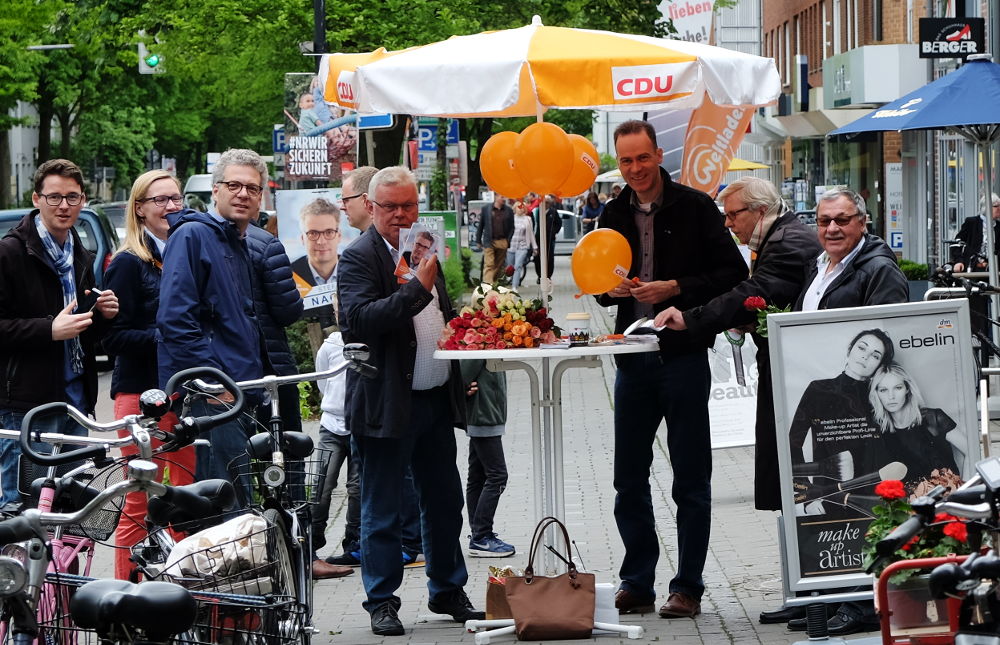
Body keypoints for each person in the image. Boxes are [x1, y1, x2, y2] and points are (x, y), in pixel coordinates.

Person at [596, 120, 748, 619]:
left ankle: (687, 586)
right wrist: (609, 290)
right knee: (628, 480)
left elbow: (733, 276)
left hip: (682, 357)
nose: (635, 169)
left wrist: (675, 286)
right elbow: (597, 280)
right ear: (617, 162)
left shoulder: (696, 206)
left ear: (660, 155)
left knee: (690, 479)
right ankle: (636, 581)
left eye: (642, 158)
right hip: (632, 360)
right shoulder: (611, 211)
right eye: (625, 161)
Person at [337, 166, 482, 636]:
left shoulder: (426, 249)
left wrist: (463, 345)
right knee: (382, 510)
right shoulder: (359, 258)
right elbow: (359, 321)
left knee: (444, 503)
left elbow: (441, 314)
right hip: (385, 402)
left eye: (409, 206)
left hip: (435, 401)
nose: (401, 215)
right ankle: (381, 600)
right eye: (391, 207)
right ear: (371, 208)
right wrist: (417, 288)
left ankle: (446, 590)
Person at [781, 187, 908, 635]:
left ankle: (861, 604)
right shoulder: (820, 266)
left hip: (863, 418)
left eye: (842, 220)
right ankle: (821, 592)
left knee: (857, 507)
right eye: (824, 221)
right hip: (832, 411)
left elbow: (889, 329)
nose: (832, 228)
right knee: (825, 500)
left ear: (863, 222)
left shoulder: (877, 269)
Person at [653, 176, 821, 512]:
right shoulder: (777, 235)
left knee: (793, 466)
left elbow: (750, 292)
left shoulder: (786, 242)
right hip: (786, 364)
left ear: (759, 210)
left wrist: (690, 317)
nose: (728, 224)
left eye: (732, 215)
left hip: (796, 370)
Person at [0, 159, 119, 508]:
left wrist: (103, 315)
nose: (63, 206)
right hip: (27, 406)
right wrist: (48, 329)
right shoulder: (9, 253)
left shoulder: (77, 252)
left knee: (69, 514)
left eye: (72, 197)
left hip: (74, 401)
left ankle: (61, 568)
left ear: (83, 201)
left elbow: (81, 331)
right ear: (36, 199)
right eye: (54, 197)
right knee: (23, 513)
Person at [103, 170, 196, 580]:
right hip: (140, 398)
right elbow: (113, 337)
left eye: (175, 198)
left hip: (181, 395)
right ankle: (125, 601)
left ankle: (182, 598)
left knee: (183, 501)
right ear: (139, 209)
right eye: (159, 200)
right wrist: (166, 337)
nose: (170, 207)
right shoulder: (127, 263)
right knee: (138, 504)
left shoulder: (187, 253)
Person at [157, 149, 267, 494]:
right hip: (215, 396)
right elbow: (175, 319)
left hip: (239, 391)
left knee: (237, 498)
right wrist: (210, 382)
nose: (243, 193)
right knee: (227, 505)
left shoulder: (235, 239)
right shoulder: (193, 236)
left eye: (252, 188)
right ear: (215, 190)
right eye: (234, 184)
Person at [869, 363, 962, 492]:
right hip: (908, 505)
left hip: (947, 498)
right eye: (883, 390)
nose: (891, 396)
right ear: (876, 394)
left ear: (907, 389)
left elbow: (971, 449)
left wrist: (965, 487)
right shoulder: (880, 431)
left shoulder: (933, 418)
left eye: (897, 388)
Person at [459, 360, 514, 558]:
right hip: (484, 412)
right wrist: (460, 387)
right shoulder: (479, 332)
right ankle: (482, 536)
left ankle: (479, 535)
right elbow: (465, 371)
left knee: (478, 474)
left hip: (484, 410)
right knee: (498, 475)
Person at [291, 198, 341, 288]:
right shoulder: (289, 277)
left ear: (339, 236)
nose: (321, 242)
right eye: (313, 233)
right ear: (302, 238)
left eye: (329, 232)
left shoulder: (357, 271)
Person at [951, 192, 1000, 271]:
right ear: (986, 208)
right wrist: (959, 261)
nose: (999, 208)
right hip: (973, 268)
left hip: (994, 269)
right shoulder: (971, 223)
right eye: (996, 206)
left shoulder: (998, 226)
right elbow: (957, 244)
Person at [475, 193, 514, 284]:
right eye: (502, 196)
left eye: (504, 196)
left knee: (499, 265)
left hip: (502, 241)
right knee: (489, 264)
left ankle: (495, 284)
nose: (504, 199)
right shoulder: (486, 209)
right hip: (489, 241)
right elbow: (481, 225)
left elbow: (512, 227)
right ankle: (487, 286)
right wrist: (478, 240)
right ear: (496, 197)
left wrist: (508, 240)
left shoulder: (508, 210)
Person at [532, 194, 562, 283]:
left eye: (548, 203)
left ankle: (548, 276)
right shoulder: (537, 212)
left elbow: (559, 223)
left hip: (550, 239)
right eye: (545, 202)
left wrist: (554, 232)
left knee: (549, 258)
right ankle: (539, 276)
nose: (546, 204)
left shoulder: (553, 212)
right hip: (538, 238)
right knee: (537, 258)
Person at [342, 166, 379, 232]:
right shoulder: (394, 238)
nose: (342, 207)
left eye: (346, 200)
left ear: (365, 200)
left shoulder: (396, 239)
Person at [509, 202, 537, 289]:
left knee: (518, 266)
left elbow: (531, 234)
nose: (520, 209)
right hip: (510, 246)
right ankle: (511, 281)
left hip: (522, 246)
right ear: (515, 208)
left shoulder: (528, 219)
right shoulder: (510, 218)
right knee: (510, 267)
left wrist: (535, 247)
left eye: (522, 207)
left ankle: (514, 286)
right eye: (518, 207)